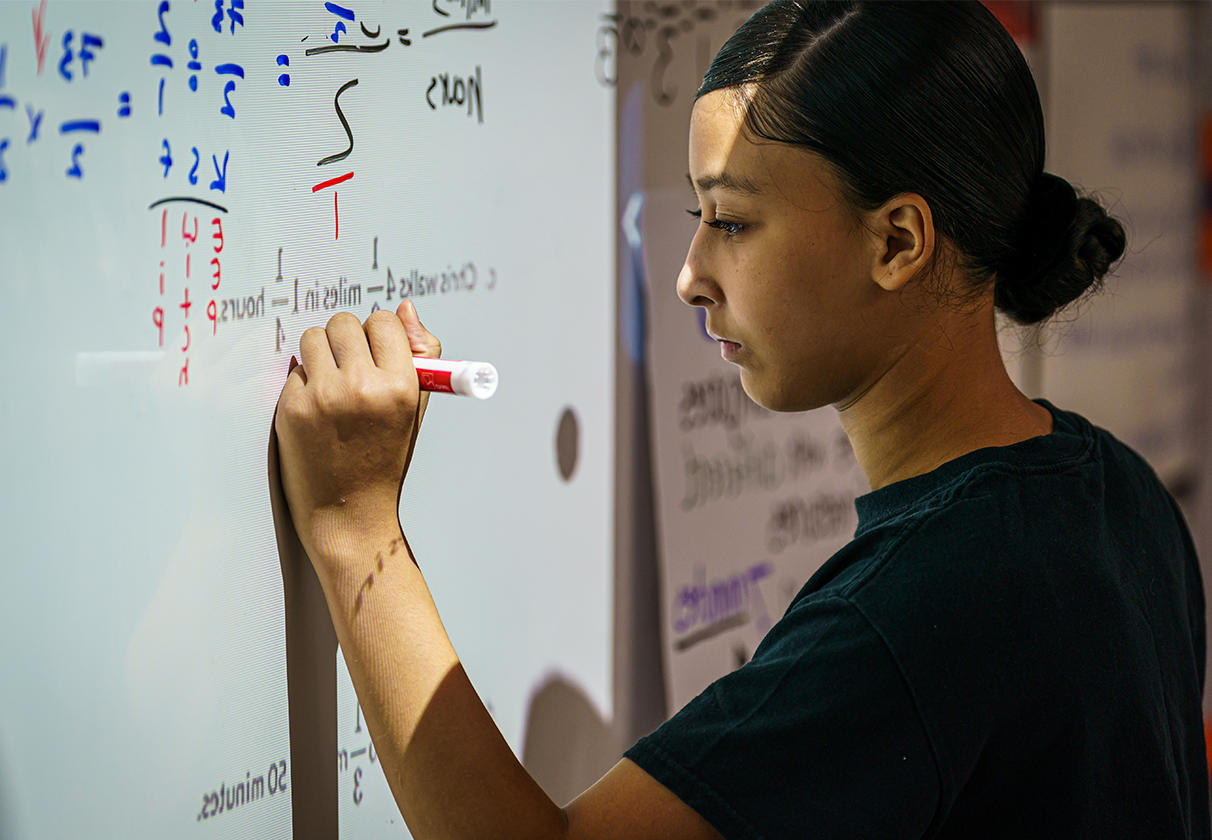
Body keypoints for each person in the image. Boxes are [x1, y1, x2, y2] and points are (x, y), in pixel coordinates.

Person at [273, 1, 1210, 836]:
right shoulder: (1121, 493)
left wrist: (356, 532)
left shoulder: (916, 616)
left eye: (730, 221)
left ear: (898, 242)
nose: (688, 275)